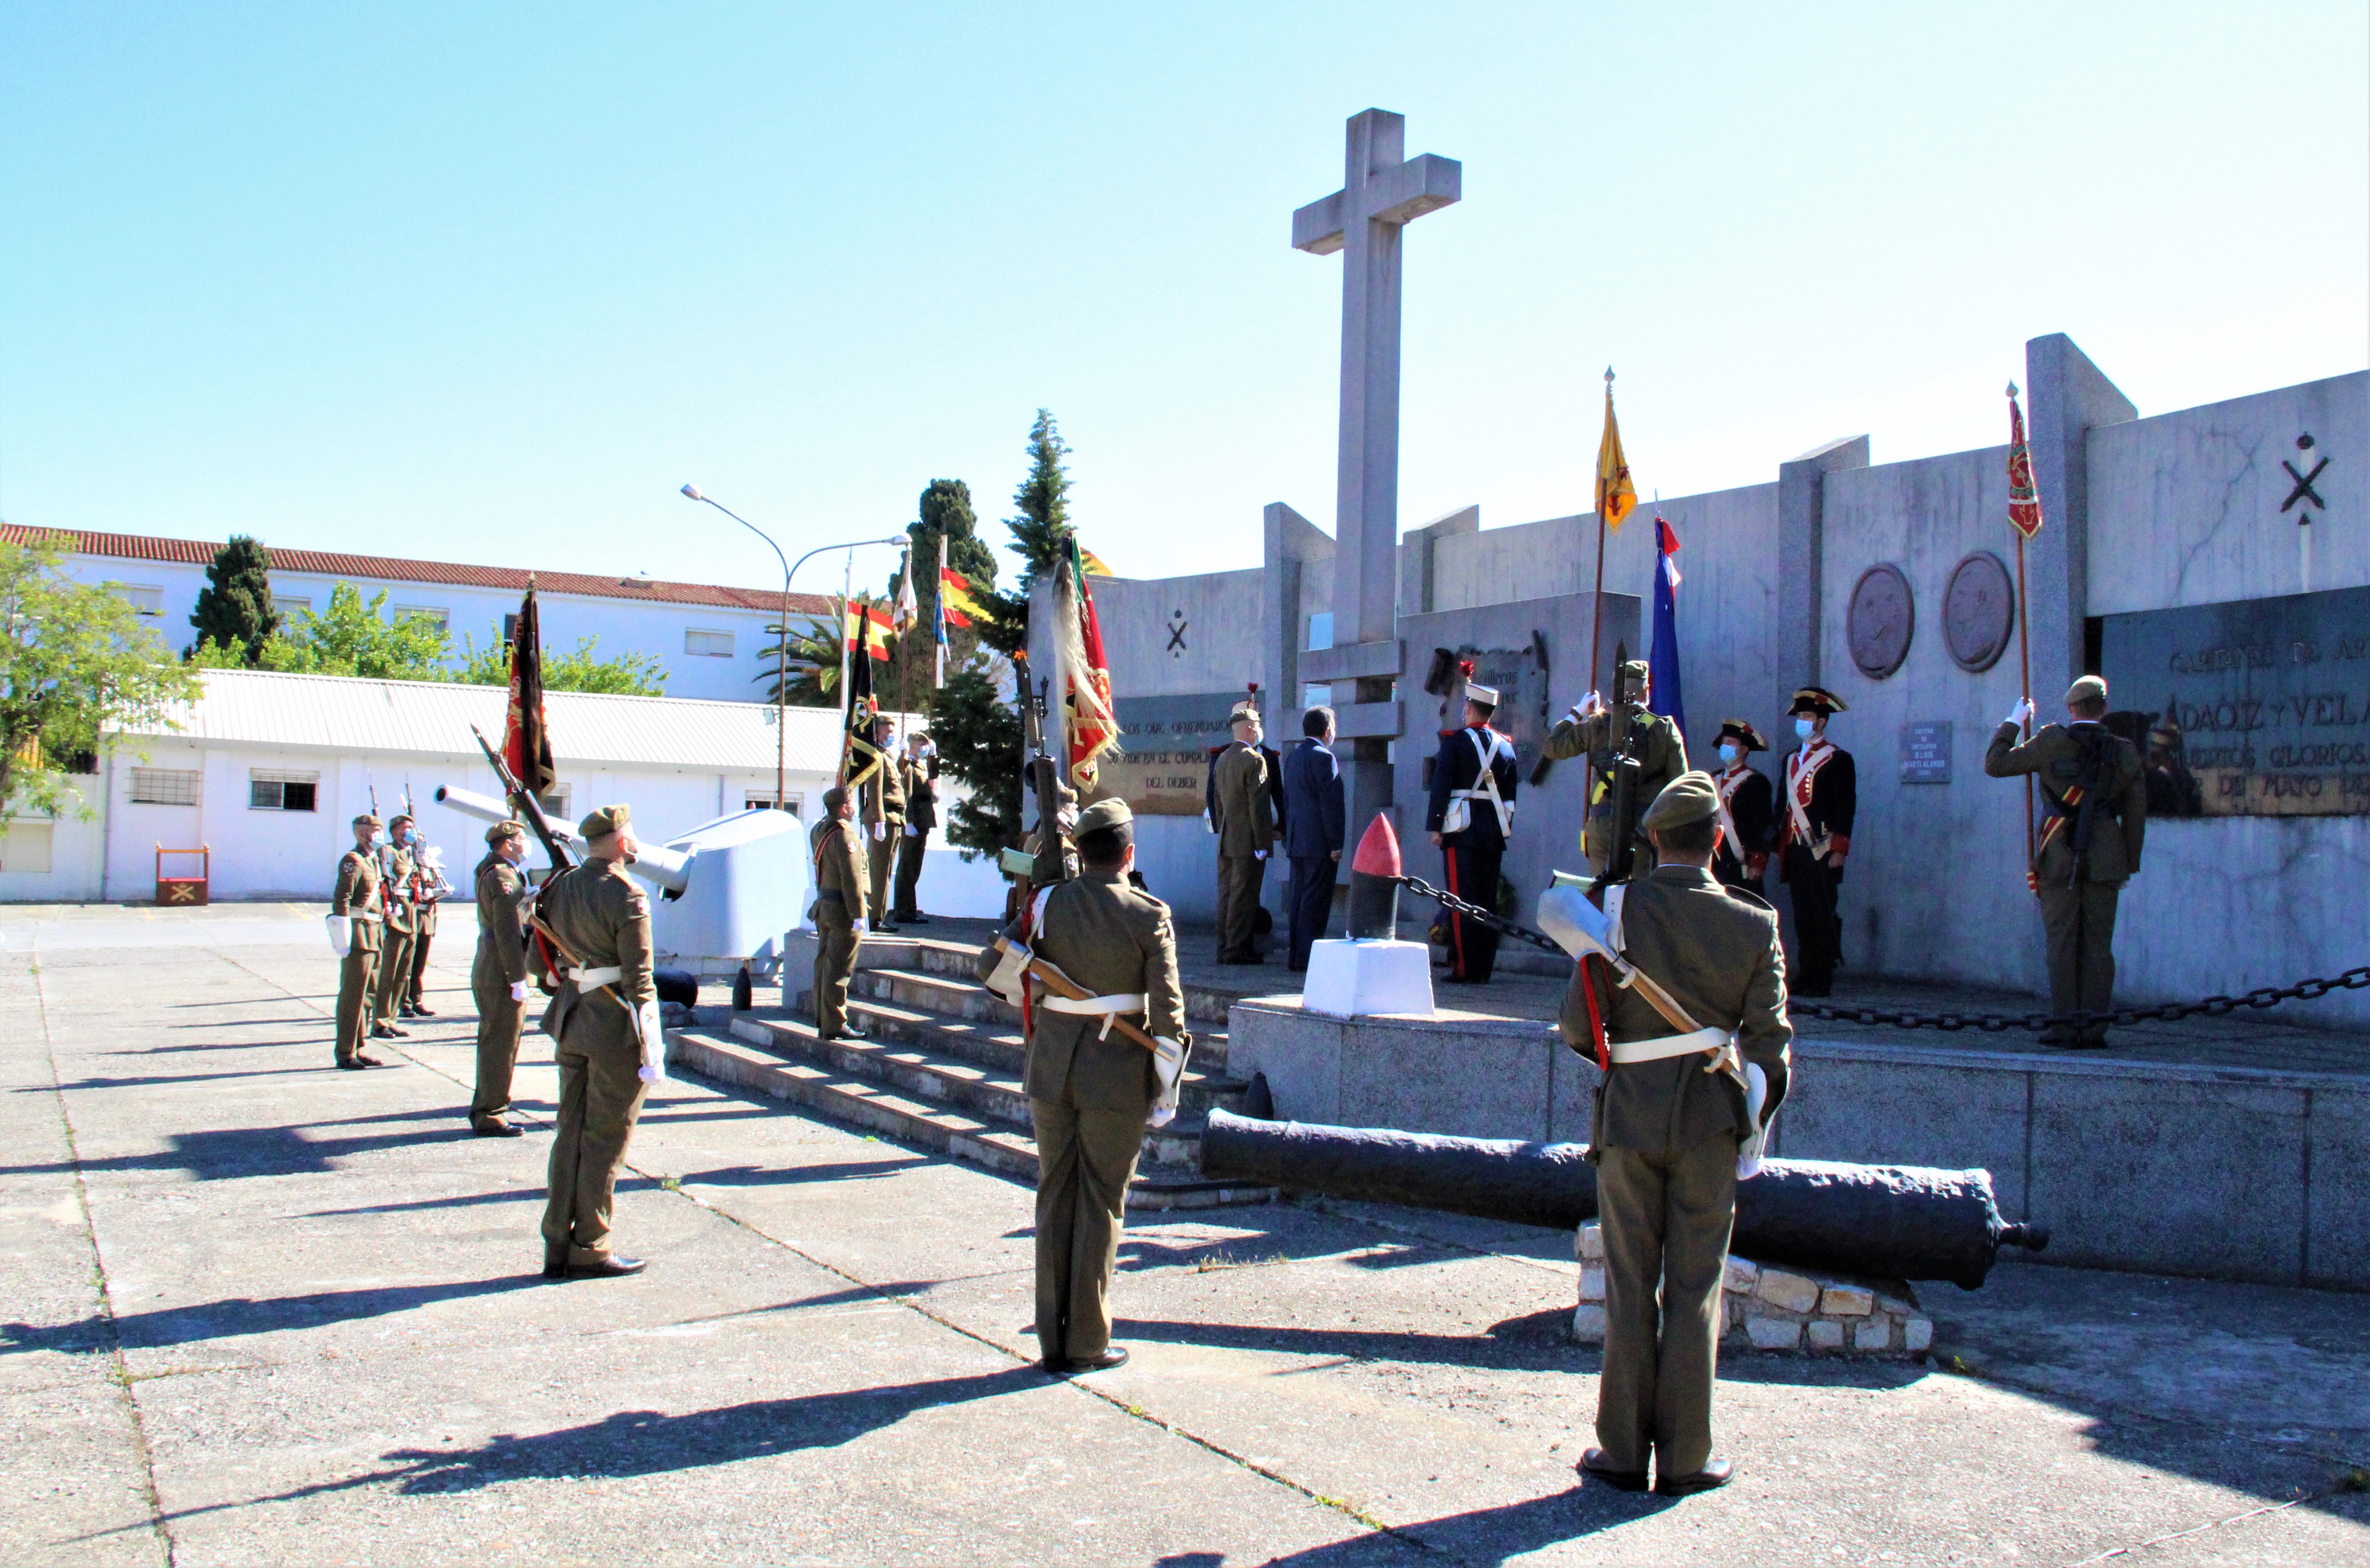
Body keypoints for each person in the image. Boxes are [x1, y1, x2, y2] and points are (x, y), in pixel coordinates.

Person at [1560, 771, 1791, 1498]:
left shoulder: (1614, 912)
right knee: (1696, 1288)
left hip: (1628, 1120)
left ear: (1654, 841)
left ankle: (1622, 1452)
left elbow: (1576, 1027)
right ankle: (1689, 1456)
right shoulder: (1756, 925)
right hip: (1710, 1126)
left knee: (1630, 1284)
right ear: (1718, 841)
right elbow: (1771, 1046)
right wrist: (1753, 1121)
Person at [974, 798, 1185, 1374]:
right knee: (1100, 1201)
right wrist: (1167, 1086)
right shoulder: (1148, 914)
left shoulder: (1047, 903)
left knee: (1056, 1196)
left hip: (1051, 1068)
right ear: (1129, 853)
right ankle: (1087, 1342)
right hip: (1115, 1073)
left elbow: (992, 971)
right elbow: (1167, 1015)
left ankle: (1051, 1338)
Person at [1984, 676, 2148, 1047]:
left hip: (2058, 855)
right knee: (2097, 947)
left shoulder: (2050, 741)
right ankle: (2092, 1029)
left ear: (2072, 709)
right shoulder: (2123, 751)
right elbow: (2136, 814)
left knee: (2061, 944)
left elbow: (1995, 764)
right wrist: (2129, 862)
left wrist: (2014, 721)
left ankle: (2063, 1026)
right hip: (2106, 860)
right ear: (2104, 708)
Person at [536, 804, 659, 1280]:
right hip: (613, 1028)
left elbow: (540, 964)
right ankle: (590, 1244)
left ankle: (557, 1242)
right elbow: (640, 977)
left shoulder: (559, 887)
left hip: (572, 1019)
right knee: (605, 1138)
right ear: (619, 841)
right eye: (629, 833)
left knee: (570, 1134)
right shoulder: (627, 894)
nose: (633, 841)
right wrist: (651, 1042)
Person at [1545, 659, 1687, 873]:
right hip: (1645, 828)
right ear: (1646, 690)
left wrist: (1578, 712)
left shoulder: (1595, 725)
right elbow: (1681, 786)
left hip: (1602, 826)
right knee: (1637, 900)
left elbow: (1552, 747)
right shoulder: (1663, 728)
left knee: (1603, 898)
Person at [1425, 674, 1519, 984]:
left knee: (1461, 900)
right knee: (1486, 901)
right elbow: (1509, 797)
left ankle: (1464, 967)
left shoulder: (1455, 743)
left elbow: (1442, 786)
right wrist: (1505, 829)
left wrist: (1436, 826)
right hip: (1493, 833)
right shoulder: (1506, 748)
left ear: (1470, 708)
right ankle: (1483, 968)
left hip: (1461, 831)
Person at [1777, 687, 1855, 998]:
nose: (1802, 721)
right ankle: (1805, 971)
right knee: (1802, 914)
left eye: (1807, 716)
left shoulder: (1838, 759)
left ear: (1822, 721)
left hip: (1821, 848)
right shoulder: (1790, 759)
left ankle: (1822, 975)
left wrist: (1840, 849)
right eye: (1800, 716)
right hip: (1795, 849)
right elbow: (1782, 806)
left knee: (1823, 912)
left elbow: (1846, 807)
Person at [469, 821, 538, 1137]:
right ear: (508, 844)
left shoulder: (501, 871)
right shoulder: (502, 876)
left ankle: (489, 1105)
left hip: (496, 968)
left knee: (498, 1041)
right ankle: (491, 1113)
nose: (526, 843)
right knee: (500, 1044)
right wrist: (517, 977)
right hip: (500, 971)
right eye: (522, 839)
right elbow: (508, 933)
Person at [1281, 705, 1346, 971]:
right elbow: (1330, 805)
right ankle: (1309, 959)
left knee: (1298, 899)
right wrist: (1336, 843)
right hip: (1319, 842)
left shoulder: (1294, 756)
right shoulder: (1325, 758)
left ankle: (1297, 957)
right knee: (1315, 902)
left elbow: (1288, 800)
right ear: (1328, 730)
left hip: (1298, 839)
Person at [1209, 702, 1275, 965]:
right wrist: (1262, 843)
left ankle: (1225, 947)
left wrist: (1222, 829)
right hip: (1247, 841)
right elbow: (1258, 806)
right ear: (1250, 729)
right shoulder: (1255, 760)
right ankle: (1236, 950)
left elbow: (1217, 803)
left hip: (1226, 839)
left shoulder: (1222, 759)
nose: (1260, 731)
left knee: (1227, 895)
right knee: (1244, 897)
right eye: (1258, 727)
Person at [809, 785, 870, 1040]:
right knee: (838, 970)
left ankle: (823, 1018)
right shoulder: (845, 836)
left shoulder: (819, 829)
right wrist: (859, 916)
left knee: (823, 964)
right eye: (852, 803)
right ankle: (835, 1023)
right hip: (842, 911)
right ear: (844, 807)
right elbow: (852, 879)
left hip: (824, 906)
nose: (855, 808)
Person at [330, 814, 390, 1069]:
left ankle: (359, 1046)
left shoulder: (374, 860)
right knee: (353, 996)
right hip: (358, 934)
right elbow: (342, 899)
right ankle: (345, 1052)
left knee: (368, 995)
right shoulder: (353, 860)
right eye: (375, 831)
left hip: (374, 932)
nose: (379, 834)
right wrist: (342, 934)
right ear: (363, 834)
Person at [1708, 720, 1778, 897]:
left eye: (1732, 743)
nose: (1726, 746)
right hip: (1714, 859)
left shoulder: (1755, 782)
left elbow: (1762, 824)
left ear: (1745, 749)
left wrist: (1758, 860)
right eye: (1724, 742)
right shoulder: (1712, 779)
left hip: (1740, 862)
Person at [370, 814, 419, 1039]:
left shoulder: (412, 853)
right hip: (396, 915)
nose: (411, 831)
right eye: (406, 828)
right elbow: (384, 883)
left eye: (412, 827)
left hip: (411, 914)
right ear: (395, 831)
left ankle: (391, 1018)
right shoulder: (389, 852)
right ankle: (380, 1021)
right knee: (389, 972)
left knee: (403, 972)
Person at [859, 715, 906, 933]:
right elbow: (875, 790)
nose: (892, 736)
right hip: (885, 817)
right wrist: (879, 820)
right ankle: (873, 918)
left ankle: (880, 916)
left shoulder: (887, 756)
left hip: (894, 817)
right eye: (888, 733)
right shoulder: (876, 756)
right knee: (878, 871)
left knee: (886, 871)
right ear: (876, 734)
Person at [890, 729, 940, 924]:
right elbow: (907, 796)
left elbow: (933, 774)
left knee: (914, 868)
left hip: (923, 820)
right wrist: (908, 821)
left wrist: (935, 756)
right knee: (907, 868)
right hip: (915, 821)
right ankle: (903, 911)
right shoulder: (908, 766)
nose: (924, 748)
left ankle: (909, 908)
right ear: (911, 745)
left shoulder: (919, 765)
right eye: (920, 744)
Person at [402, 827, 452, 1018]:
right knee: (406, 964)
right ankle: (404, 1002)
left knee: (419, 965)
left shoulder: (429, 865)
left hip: (427, 918)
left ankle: (416, 1000)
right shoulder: (408, 864)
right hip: (412, 916)